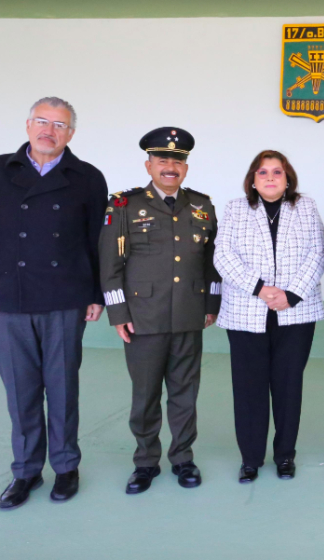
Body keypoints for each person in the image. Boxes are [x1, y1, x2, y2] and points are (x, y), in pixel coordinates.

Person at [99, 127, 221, 494]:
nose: (171, 166)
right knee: (146, 394)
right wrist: (119, 314)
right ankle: (145, 462)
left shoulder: (202, 205)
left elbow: (211, 263)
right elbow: (110, 264)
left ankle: (183, 458)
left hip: (189, 313)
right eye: (163, 160)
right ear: (149, 164)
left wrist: (211, 303)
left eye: (178, 161)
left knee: (185, 393)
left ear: (186, 167)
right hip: (142, 317)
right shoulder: (124, 205)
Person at [0, 97, 107, 510]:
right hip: (10, 297)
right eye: (42, 121)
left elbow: (98, 241)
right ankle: (25, 471)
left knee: (62, 388)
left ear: (71, 133)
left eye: (59, 125)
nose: (49, 130)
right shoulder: (2, 169)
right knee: (20, 391)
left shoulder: (86, 177)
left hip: (65, 297)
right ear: (27, 125)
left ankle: (65, 468)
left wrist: (97, 293)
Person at [214, 150, 324, 483]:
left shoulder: (305, 207)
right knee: (249, 388)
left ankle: (285, 455)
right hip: (247, 311)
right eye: (263, 173)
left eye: (277, 172)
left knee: (288, 386)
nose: (271, 178)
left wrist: (290, 295)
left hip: (296, 311)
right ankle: (250, 458)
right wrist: (261, 289)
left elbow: (319, 252)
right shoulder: (236, 208)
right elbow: (222, 256)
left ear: (287, 178)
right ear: (253, 179)